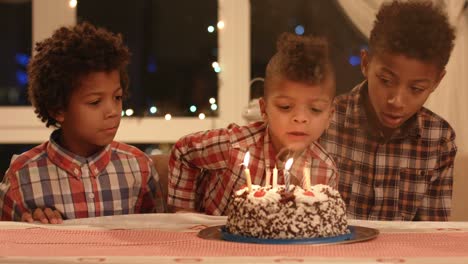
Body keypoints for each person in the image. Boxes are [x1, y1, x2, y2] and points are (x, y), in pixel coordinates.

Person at [0, 22, 166, 223]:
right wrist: (35, 227)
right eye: (95, 102)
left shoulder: (140, 168)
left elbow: (157, 239)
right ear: (58, 109)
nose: (113, 112)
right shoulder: (23, 176)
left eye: (117, 97)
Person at [168, 32, 337, 215]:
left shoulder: (325, 170)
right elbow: (184, 151)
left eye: (316, 109)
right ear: (263, 110)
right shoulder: (234, 147)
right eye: (286, 106)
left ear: (330, 116)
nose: (301, 118)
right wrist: (184, 212)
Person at [319, 0, 457, 221]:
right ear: (365, 63)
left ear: (437, 81)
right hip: (333, 253)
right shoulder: (325, 121)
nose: (396, 100)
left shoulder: (439, 139)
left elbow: (430, 232)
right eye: (385, 80)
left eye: (416, 89)